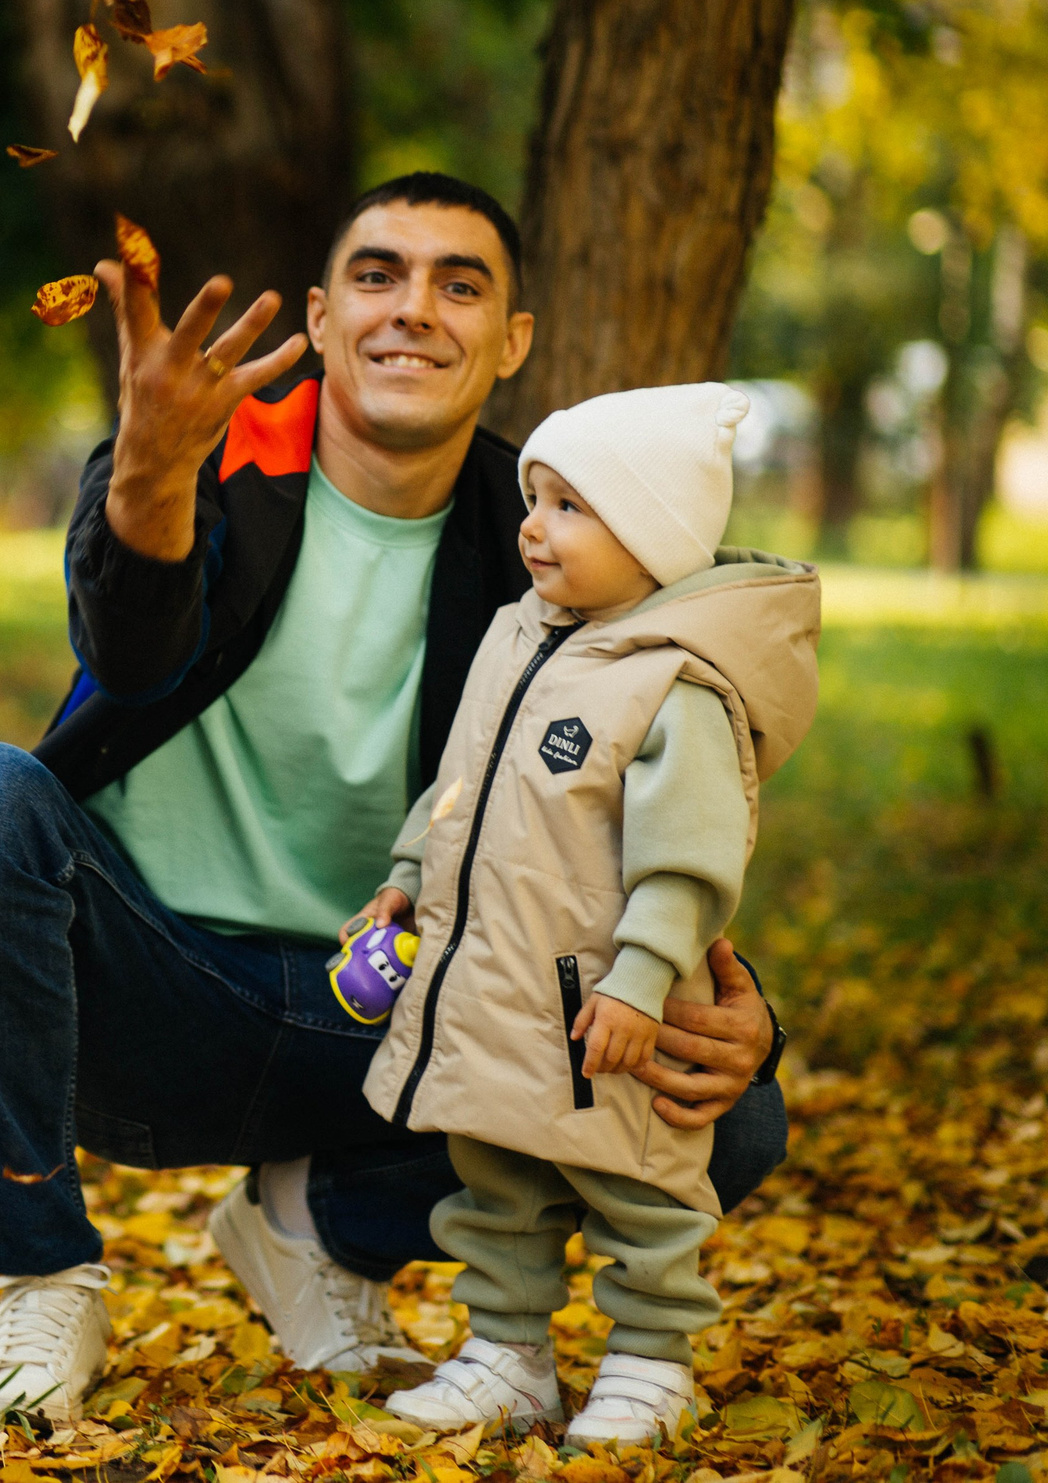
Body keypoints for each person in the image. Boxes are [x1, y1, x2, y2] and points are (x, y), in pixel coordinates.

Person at [0, 174, 793, 1423]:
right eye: (378, 275)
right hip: (153, 998)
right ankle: (41, 1278)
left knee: (731, 1120)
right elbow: (131, 650)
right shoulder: (204, 457)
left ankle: (318, 1218)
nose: (414, 309)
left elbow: (642, 781)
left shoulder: (549, 534)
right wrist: (150, 461)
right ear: (319, 315)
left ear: (512, 341)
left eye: (459, 285)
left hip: (411, 1017)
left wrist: (737, 1016)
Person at [366, 384, 818, 1441]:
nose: (533, 525)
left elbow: (688, 862)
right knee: (495, 1179)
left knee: (642, 1186)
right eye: (535, 498)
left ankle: (652, 1362)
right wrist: (401, 874)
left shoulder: (674, 686)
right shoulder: (517, 635)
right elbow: (457, 783)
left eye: (571, 506)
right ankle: (506, 1354)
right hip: (495, 985)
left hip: (606, 1001)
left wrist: (639, 977)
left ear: (652, 536)